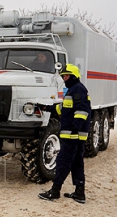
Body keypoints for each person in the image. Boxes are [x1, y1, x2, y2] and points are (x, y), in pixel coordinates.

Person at [39, 63, 91, 203]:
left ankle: (55, 191)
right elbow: (63, 109)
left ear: (74, 76)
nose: (65, 78)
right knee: (76, 163)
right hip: (75, 135)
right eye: (63, 76)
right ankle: (80, 193)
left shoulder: (78, 90)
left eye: (67, 75)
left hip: (72, 135)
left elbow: (82, 111)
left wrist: (75, 127)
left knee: (63, 162)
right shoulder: (73, 90)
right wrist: (46, 108)